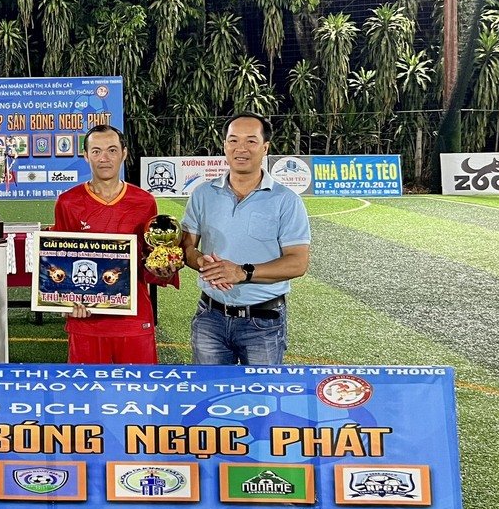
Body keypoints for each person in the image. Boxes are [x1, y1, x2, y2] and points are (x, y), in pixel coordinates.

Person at [181, 112, 311, 365]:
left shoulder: (286, 200)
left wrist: (242, 272)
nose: (241, 148)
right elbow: (187, 246)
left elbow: (298, 263)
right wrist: (201, 262)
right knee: (210, 388)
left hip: (263, 321)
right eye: (233, 140)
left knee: (262, 391)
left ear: (265, 147)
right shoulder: (203, 194)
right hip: (210, 317)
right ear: (225, 146)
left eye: (251, 141)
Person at [51, 124, 177, 364]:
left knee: (139, 386)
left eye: (111, 150)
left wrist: (163, 269)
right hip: (86, 318)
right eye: (96, 151)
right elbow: (58, 260)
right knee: (86, 387)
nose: (104, 158)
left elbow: (151, 258)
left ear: (124, 153)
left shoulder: (144, 202)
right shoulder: (67, 202)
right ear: (86, 156)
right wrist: (65, 301)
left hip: (133, 317)